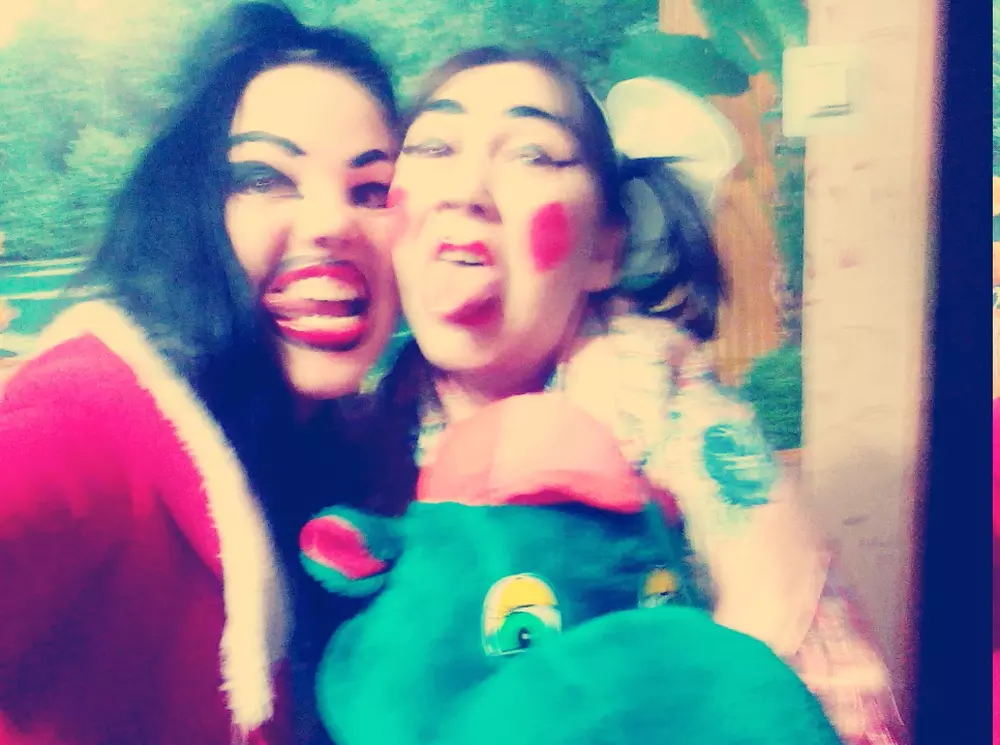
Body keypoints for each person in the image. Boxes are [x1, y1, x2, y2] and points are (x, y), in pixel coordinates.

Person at [375, 46, 905, 743]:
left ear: (604, 250)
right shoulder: (369, 428)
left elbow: (800, 649)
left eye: (532, 154)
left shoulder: (661, 401)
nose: (465, 189)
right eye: (434, 146)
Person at [0, 3, 398, 743]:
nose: (333, 223)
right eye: (263, 177)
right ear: (189, 212)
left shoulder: (359, 449)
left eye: (373, 190)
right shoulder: (82, 418)